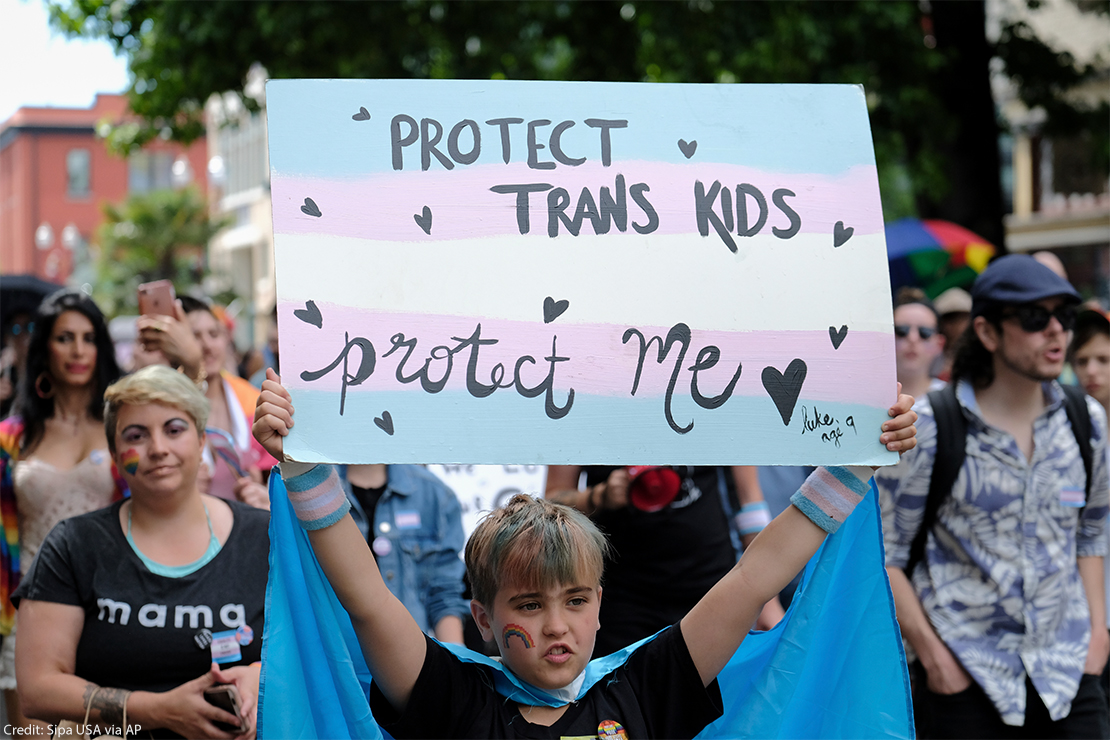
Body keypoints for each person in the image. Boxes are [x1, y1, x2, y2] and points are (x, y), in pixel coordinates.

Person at [252, 370, 917, 738]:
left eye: (575, 600)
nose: (556, 625)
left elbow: (752, 581)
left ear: (601, 604)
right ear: (482, 619)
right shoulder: (453, 696)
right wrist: (305, 467)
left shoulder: (645, 686)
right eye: (527, 604)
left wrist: (854, 467)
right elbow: (367, 601)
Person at [878, 254, 1109, 738]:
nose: (1055, 332)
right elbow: (886, 554)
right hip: (967, 680)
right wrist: (934, 657)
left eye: (1063, 318)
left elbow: (1089, 535)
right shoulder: (931, 427)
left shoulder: (1086, 421)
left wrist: (1097, 636)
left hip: (1068, 674)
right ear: (986, 332)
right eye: (1033, 317)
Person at [13, 365, 268, 738]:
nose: (158, 448)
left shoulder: (263, 536)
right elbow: (38, 690)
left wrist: (258, 677)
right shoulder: (74, 545)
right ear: (116, 454)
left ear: (201, 442)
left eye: (174, 430)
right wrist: (159, 711)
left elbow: (315, 648)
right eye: (136, 435)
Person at [0, 289, 126, 730]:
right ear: (44, 349)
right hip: (27, 612)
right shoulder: (11, 438)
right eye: (64, 338)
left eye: (89, 338)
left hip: (113, 612)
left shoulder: (125, 430)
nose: (78, 350)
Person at [543, 465, 783, 657]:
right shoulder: (589, 407)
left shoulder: (714, 405)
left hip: (712, 589)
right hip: (624, 602)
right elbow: (552, 501)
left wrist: (768, 600)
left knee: (719, 707)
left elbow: (749, 498)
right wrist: (600, 495)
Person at [338, 463, 469, 643]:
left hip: (411, 659)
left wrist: (456, 664)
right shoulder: (311, 488)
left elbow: (444, 593)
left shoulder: (434, 494)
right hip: (335, 658)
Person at [179, 296, 274, 508]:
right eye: (195, 336)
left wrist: (263, 492)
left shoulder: (251, 398)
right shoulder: (166, 405)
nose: (207, 346)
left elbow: (275, 474)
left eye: (214, 334)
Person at [1069, 306, 1110, 700]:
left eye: (1103, 359)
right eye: (1081, 361)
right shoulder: (1072, 430)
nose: (1091, 371)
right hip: (1086, 611)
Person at [892, 288, 946, 401]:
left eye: (924, 333)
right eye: (902, 331)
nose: (913, 338)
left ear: (939, 344)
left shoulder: (958, 401)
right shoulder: (863, 396)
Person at [932, 287, 972, 382]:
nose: (957, 326)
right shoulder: (932, 353)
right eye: (950, 319)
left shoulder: (980, 352)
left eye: (962, 319)